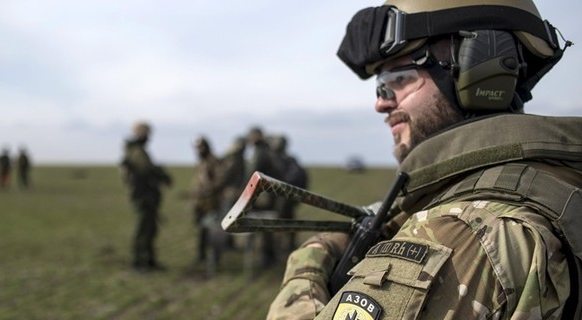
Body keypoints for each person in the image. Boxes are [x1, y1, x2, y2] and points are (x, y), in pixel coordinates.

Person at [267, 1, 581, 319]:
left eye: (398, 78)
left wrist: (306, 268)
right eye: (380, 86)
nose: (380, 103)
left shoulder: (460, 235)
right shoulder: (556, 184)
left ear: (482, 68)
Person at [120, 121, 172, 273]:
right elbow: (146, 170)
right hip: (143, 196)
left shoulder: (138, 150)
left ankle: (148, 261)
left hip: (147, 195)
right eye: (147, 133)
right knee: (143, 230)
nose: (149, 137)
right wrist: (161, 175)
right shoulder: (136, 151)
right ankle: (138, 263)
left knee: (150, 229)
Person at [245, 126, 283, 267]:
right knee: (266, 226)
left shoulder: (260, 153)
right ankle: (268, 256)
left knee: (264, 226)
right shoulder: (266, 152)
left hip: (263, 197)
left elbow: (254, 175)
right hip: (267, 195)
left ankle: (267, 257)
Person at [268, 134, 308, 252]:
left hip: (283, 198)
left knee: (280, 223)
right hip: (288, 197)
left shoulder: (281, 160)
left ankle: (281, 247)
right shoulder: (289, 160)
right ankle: (285, 246)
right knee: (287, 223)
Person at [188, 136, 223, 263]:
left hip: (210, 202)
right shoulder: (201, 162)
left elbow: (220, 179)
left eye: (201, 147)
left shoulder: (213, 161)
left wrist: (210, 188)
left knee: (212, 231)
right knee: (201, 229)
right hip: (199, 202)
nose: (198, 150)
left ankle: (213, 257)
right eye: (196, 148)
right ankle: (201, 255)